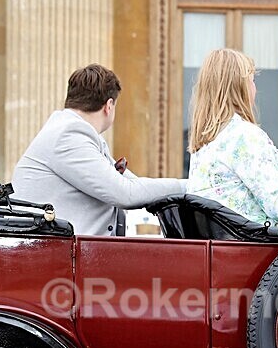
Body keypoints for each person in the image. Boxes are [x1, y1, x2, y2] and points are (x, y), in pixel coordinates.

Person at [12, 64, 186, 236]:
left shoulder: (73, 133)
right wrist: (191, 186)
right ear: (109, 106)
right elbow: (126, 193)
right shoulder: (68, 136)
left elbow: (134, 185)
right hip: (56, 257)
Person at [186, 48, 278, 228]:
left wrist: (275, 161)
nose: (255, 88)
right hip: (267, 249)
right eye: (252, 81)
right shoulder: (245, 136)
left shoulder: (205, 142)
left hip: (227, 243)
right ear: (239, 88)